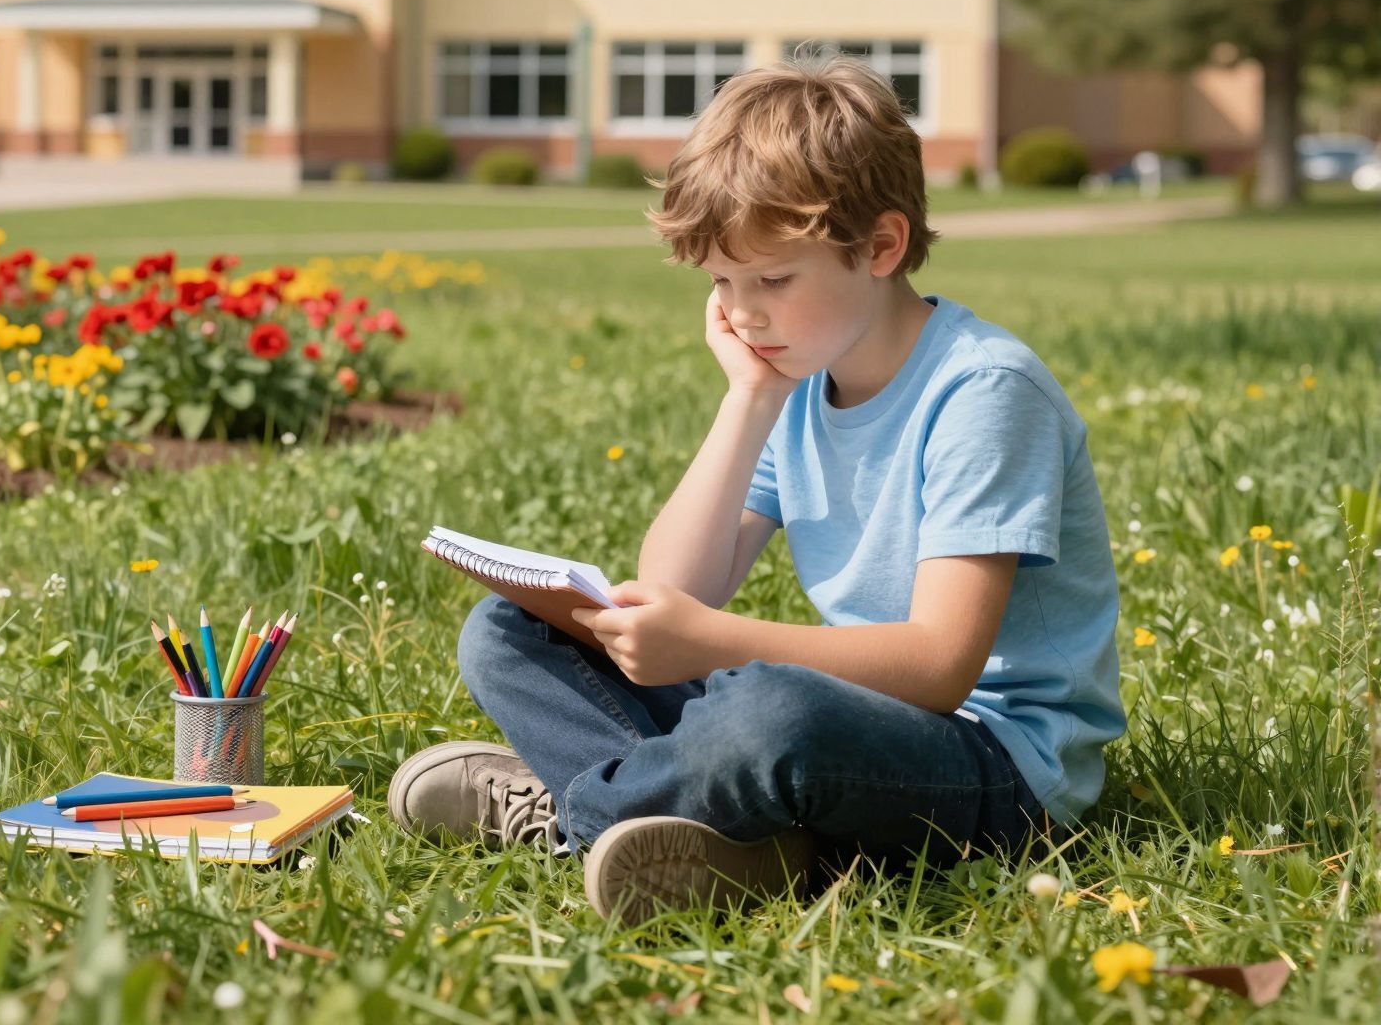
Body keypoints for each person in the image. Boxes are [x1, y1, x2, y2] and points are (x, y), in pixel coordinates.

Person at [388, 52, 1124, 923]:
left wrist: (713, 647)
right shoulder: (800, 379)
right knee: (508, 630)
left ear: (882, 246)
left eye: (773, 279)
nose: (743, 313)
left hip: (997, 771)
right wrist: (749, 398)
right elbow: (678, 588)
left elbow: (937, 668)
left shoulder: (984, 389)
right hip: (853, 723)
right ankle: (723, 839)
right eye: (721, 284)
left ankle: (576, 814)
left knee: (768, 710)